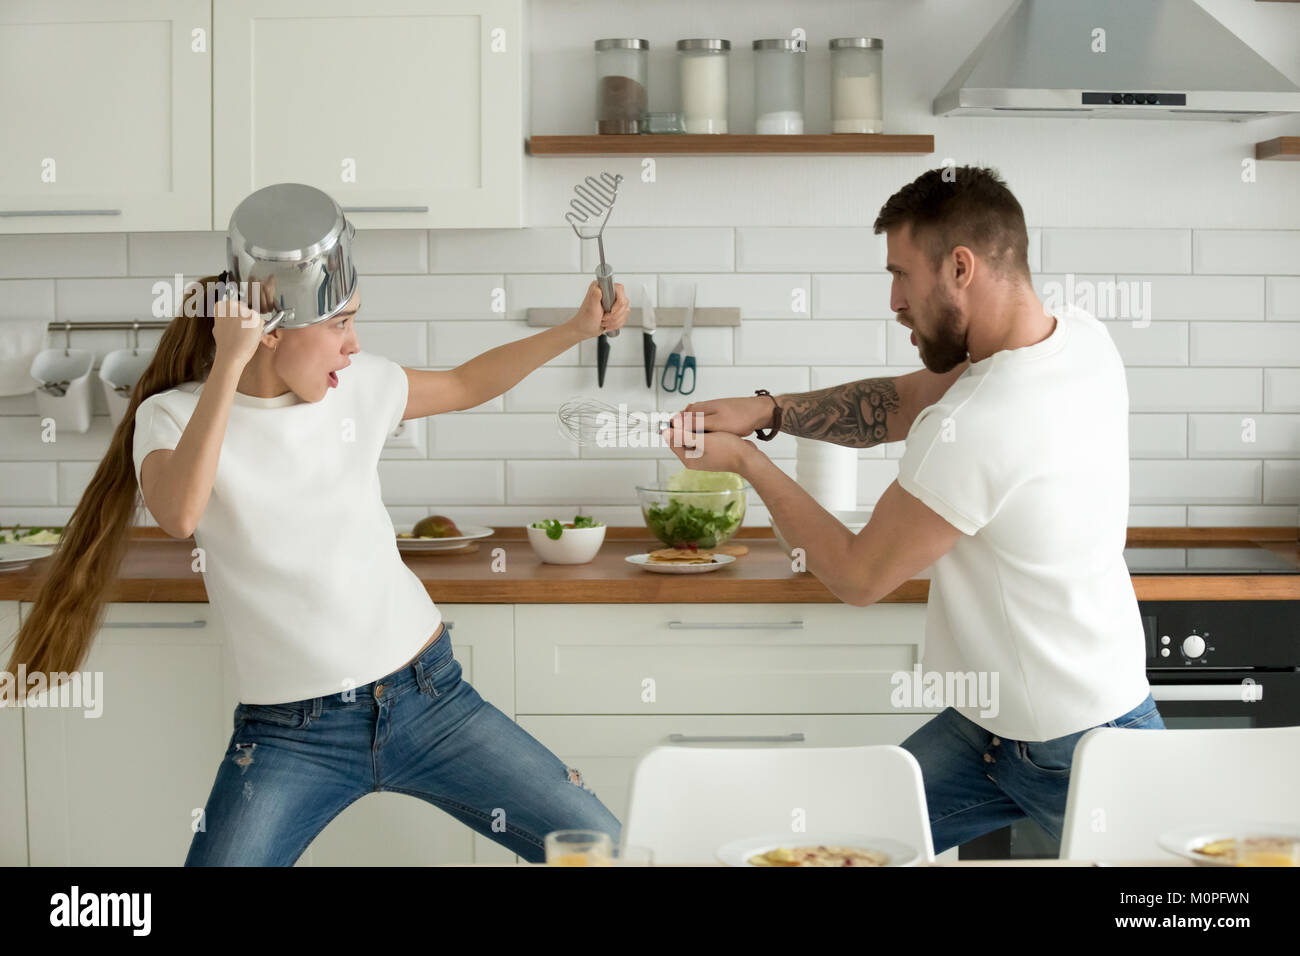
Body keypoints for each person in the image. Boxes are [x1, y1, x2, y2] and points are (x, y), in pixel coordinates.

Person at [5, 265, 629, 865]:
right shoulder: (169, 415)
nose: (353, 346)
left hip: (427, 697)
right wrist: (230, 361)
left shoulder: (360, 388)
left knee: (605, 843)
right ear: (270, 329)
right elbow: (180, 514)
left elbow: (466, 384)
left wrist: (577, 329)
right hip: (292, 734)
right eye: (339, 324)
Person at [661, 165, 1163, 856]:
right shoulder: (1077, 337)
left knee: (1187, 904)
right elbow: (902, 400)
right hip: (997, 727)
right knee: (824, 845)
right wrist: (769, 412)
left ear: (961, 267)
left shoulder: (986, 421)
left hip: (1073, 745)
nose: (894, 299)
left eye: (902, 274)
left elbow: (857, 577)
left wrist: (749, 462)